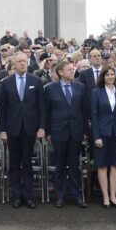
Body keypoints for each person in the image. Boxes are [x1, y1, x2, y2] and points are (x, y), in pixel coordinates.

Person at [0, 52, 45, 208]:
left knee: (27, 163)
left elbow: (41, 108)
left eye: (24, 61)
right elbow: (2, 110)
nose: (22, 64)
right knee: (13, 164)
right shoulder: (5, 83)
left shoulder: (36, 81)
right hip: (12, 129)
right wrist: (2, 130)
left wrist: (41, 127)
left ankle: (28, 195)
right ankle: (16, 195)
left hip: (30, 129)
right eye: (19, 61)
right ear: (13, 64)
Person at [45, 60, 89, 208]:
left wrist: (84, 131)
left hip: (76, 131)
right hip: (58, 131)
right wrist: (48, 132)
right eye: (69, 69)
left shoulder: (80, 87)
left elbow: (84, 111)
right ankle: (60, 196)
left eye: (73, 69)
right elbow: (47, 112)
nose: (72, 71)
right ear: (61, 72)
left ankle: (77, 196)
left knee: (74, 165)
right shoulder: (51, 89)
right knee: (60, 165)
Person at [90, 67, 116, 209]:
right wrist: (96, 136)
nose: (110, 77)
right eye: (107, 75)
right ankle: (105, 196)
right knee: (102, 165)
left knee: (115, 165)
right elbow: (94, 116)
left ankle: (113, 196)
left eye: (113, 74)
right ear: (103, 77)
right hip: (102, 133)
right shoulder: (96, 92)